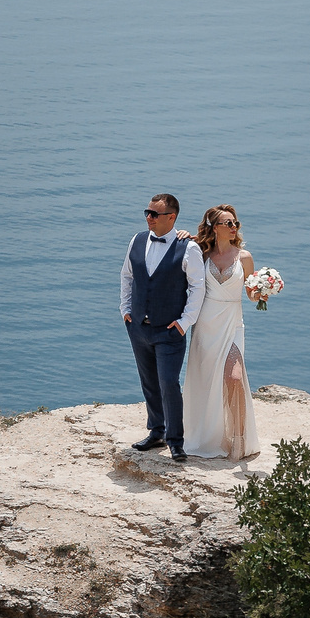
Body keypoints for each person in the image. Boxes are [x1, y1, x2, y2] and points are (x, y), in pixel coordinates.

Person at [120, 193, 206, 459]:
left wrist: (184, 323)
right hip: (138, 327)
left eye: (154, 214)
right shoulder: (137, 240)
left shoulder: (189, 248)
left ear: (172, 217)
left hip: (170, 331)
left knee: (168, 382)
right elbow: (127, 275)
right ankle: (156, 432)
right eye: (147, 212)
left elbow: (197, 288)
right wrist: (125, 310)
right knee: (148, 382)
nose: (149, 218)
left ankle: (175, 440)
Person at [181, 204, 261, 460]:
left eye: (235, 222)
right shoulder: (202, 254)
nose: (233, 227)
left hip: (232, 323)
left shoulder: (245, 257)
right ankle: (206, 436)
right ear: (215, 228)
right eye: (227, 223)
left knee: (234, 378)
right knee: (205, 381)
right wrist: (183, 235)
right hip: (205, 325)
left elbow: (250, 294)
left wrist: (262, 293)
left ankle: (238, 439)